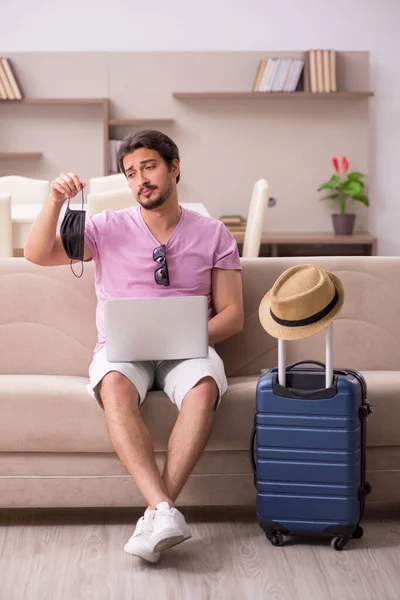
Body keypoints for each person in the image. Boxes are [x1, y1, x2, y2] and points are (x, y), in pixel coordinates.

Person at [24, 130, 244, 564]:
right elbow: (36, 253)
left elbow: (232, 316)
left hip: (190, 349)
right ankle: (164, 510)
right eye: (130, 173)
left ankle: (156, 512)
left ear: (174, 168)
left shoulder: (214, 233)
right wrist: (54, 200)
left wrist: (188, 338)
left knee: (203, 389)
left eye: (149, 167)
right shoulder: (106, 227)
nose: (141, 179)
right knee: (114, 387)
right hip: (122, 352)